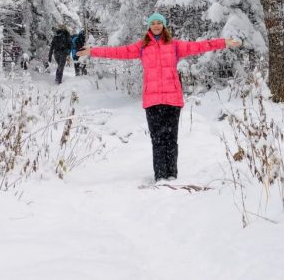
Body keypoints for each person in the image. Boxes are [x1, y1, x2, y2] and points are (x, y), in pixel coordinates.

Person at [77, 12, 241, 182]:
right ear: (149, 26)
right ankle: (160, 176)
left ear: (163, 25)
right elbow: (118, 52)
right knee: (157, 140)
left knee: (171, 139)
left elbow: (199, 46)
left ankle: (172, 176)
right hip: (153, 101)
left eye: (159, 23)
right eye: (153, 23)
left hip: (172, 100)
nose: (156, 25)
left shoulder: (174, 45)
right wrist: (92, 51)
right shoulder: (142, 47)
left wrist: (224, 42)